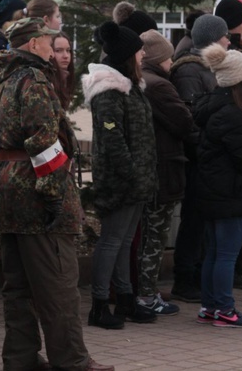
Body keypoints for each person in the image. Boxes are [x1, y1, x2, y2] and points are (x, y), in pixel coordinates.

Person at [0, 17, 113, 371]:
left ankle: (20, 358)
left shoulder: (3, 77)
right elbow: (43, 141)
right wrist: (55, 193)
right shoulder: (34, 79)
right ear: (32, 44)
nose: (52, 46)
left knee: (18, 286)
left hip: (8, 189)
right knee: (57, 282)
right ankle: (71, 360)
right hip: (35, 192)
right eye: (47, 40)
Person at [82, 21, 158, 329]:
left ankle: (125, 299)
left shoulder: (131, 86)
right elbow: (113, 139)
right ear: (127, 55)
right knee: (111, 240)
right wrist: (131, 173)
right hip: (120, 180)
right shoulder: (109, 90)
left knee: (125, 241)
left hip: (135, 178)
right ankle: (99, 305)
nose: (143, 56)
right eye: (139, 52)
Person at [192, 43, 242, 328]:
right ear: (237, 80)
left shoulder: (214, 108)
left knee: (214, 252)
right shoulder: (233, 116)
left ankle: (210, 306)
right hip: (228, 193)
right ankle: (223, 307)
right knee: (226, 254)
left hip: (212, 191)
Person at [169, 14, 230, 302]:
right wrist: (206, 147)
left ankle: (196, 272)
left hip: (210, 155)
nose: (229, 41)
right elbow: (190, 118)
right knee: (193, 219)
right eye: (224, 36)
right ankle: (185, 277)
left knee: (203, 220)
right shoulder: (191, 71)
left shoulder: (210, 66)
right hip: (198, 158)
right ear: (213, 39)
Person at [137, 30, 192, 315]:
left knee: (146, 234)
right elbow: (183, 122)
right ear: (158, 58)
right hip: (164, 167)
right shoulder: (159, 85)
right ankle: (147, 295)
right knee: (155, 237)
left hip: (151, 168)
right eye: (169, 57)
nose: (172, 62)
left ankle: (143, 291)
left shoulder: (141, 80)